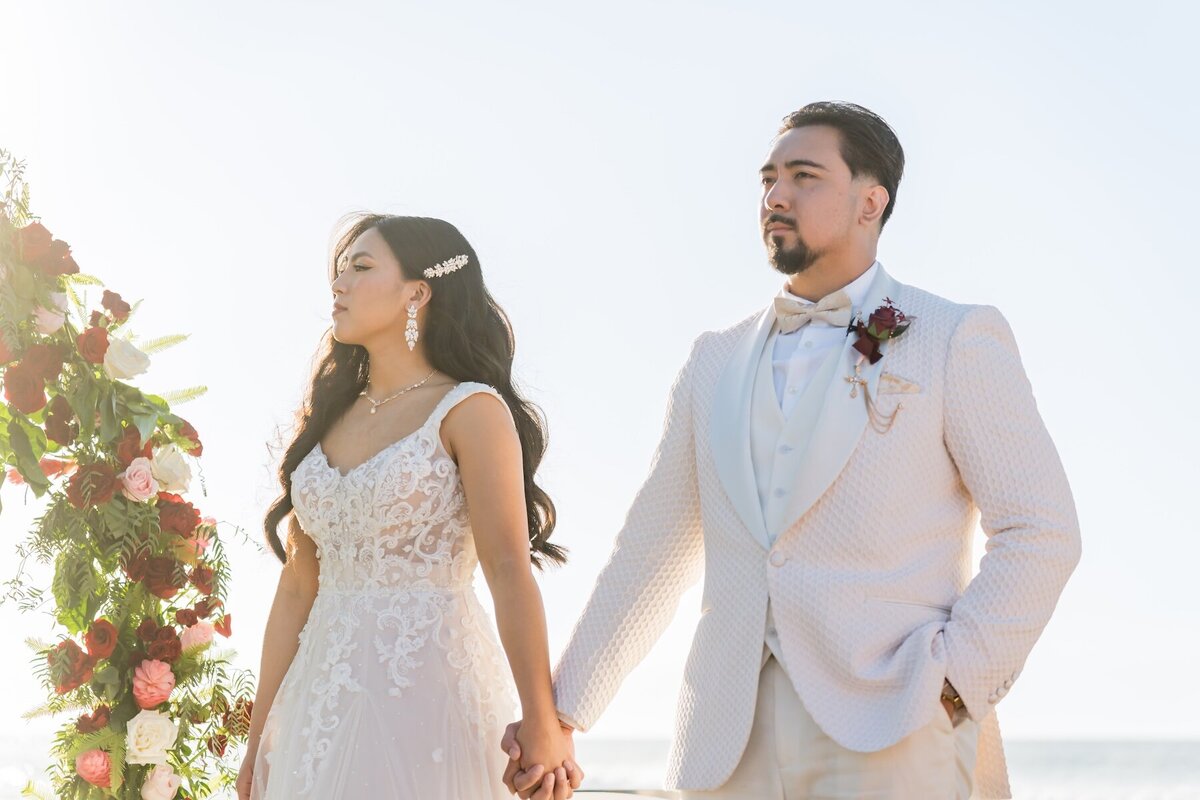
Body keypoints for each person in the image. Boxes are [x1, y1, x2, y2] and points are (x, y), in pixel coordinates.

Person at [504, 101, 1081, 799]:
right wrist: (561, 712)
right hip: (726, 737)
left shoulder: (952, 338)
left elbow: (1040, 530)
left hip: (893, 722)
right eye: (768, 178)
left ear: (872, 202)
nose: (776, 196)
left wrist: (955, 686)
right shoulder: (711, 362)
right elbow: (649, 555)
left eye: (805, 176)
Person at [235, 214, 583, 799]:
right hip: (317, 704)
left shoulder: (470, 411)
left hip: (429, 696)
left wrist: (542, 720)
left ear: (418, 292)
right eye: (340, 270)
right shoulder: (326, 418)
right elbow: (298, 584)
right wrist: (259, 734)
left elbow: (508, 570)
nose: (339, 284)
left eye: (362, 267)